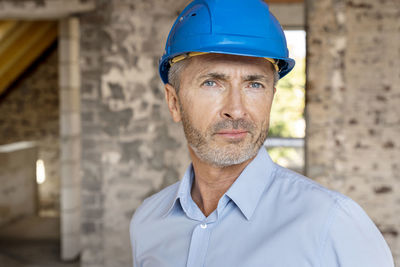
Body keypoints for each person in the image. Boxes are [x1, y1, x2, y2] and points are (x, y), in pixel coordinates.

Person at [129, 0, 394, 266]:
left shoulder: (333, 224)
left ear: (272, 97)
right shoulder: (148, 221)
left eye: (254, 84)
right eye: (211, 83)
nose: (236, 110)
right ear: (174, 102)